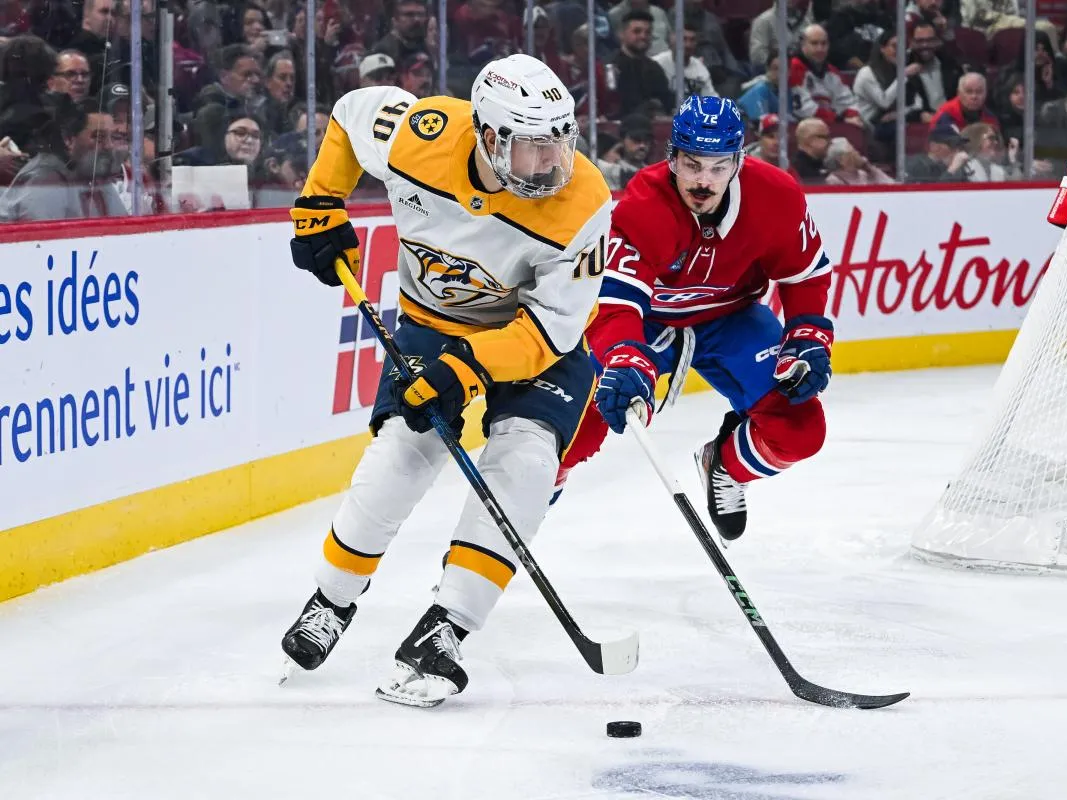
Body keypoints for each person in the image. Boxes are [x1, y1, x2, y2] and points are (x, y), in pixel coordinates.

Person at [279, 54, 612, 708]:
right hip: (434, 323)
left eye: (560, 142)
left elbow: (551, 330)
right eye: (533, 147)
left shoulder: (584, 203)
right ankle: (331, 601)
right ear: (488, 135)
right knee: (403, 451)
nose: (553, 163)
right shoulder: (420, 134)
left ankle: (447, 626)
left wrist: (467, 369)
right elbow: (349, 115)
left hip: (536, 340)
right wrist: (320, 199)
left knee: (526, 460)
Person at [556, 96, 834, 543]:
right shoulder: (645, 205)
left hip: (732, 320)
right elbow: (616, 302)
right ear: (672, 158)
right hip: (648, 324)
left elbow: (805, 275)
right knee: (568, 432)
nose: (704, 181)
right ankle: (514, 518)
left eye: (719, 167)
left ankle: (725, 466)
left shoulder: (776, 197)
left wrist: (806, 334)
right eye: (692, 165)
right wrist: (623, 355)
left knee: (801, 430)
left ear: (738, 161)